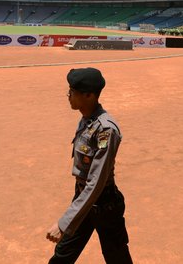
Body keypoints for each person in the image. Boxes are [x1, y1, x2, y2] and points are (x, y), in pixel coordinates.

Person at [47, 68, 133, 264]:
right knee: (62, 255)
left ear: (89, 95)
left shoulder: (106, 130)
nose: (69, 95)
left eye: (73, 91)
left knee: (116, 257)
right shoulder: (87, 120)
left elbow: (96, 181)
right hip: (83, 201)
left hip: (105, 206)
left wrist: (64, 223)